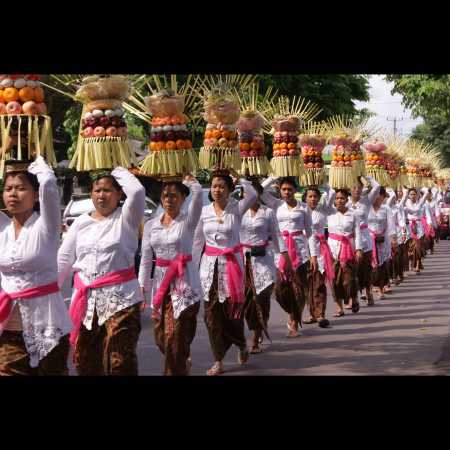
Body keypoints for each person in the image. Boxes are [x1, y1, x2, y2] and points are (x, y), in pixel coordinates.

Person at [58, 167, 145, 375]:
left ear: (119, 194)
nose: (101, 195)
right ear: (91, 194)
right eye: (97, 190)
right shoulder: (80, 223)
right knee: (86, 360)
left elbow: (138, 191)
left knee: (119, 361)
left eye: (107, 190)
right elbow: (64, 259)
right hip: (87, 303)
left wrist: (113, 165)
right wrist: (49, 293)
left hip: (122, 299)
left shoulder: (127, 218)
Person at [0, 157, 72, 375]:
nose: (13, 193)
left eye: (21, 188)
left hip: (49, 327)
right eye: (8, 188)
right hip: (9, 330)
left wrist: (35, 156)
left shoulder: (46, 225)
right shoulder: (2, 228)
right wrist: (5, 152)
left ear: (35, 195)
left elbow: (49, 183)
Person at [193, 171, 257, 376]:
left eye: (222, 186)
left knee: (233, 315)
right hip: (208, 269)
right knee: (211, 316)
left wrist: (241, 180)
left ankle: (241, 344)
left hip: (232, 269)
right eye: (214, 186)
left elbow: (254, 195)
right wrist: (191, 271)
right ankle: (218, 360)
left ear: (230, 190)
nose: (217, 190)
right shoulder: (203, 212)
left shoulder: (236, 209)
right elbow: (197, 243)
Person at [138, 175, 203, 375]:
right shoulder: (151, 225)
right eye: (165, 195)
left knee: (175, 336)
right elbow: (146, 259)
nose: (169, 199)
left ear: (184, 198)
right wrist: (143, 287)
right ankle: (182, 359)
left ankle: (176, 368)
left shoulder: (188, 221)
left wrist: (190, 181)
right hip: (160, 286)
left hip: (185, 285)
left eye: (174, 196)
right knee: (161, 337)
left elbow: (199, 195)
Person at [240, 180, 288, 354]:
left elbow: (277, 235)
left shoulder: (268, 212)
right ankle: (255, 327)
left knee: (261, 299)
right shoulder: (238, 212)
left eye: (252, 193)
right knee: (247, 301)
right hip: (244, 260)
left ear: (259, 194)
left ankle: (255, 337)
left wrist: (284, 256)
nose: (248, 197)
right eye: (245, 193)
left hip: (264, 260)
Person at [261, 177, 311, 338]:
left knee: (299, 289)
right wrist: (274, 177)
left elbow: (309, 232)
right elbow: (260, 191)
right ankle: (291, 310)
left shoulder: (304, 208)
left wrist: (313, 254)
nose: (287, 192)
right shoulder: (276, 205)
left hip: (300, 252)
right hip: (280, 251)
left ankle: (294, 321)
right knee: (280, 289)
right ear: (280, 191)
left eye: (290, 189)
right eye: (284, 189)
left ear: (295, 191)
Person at [327, 189, 363, 317]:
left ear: (347, 200)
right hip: (332, 250)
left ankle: (354, 298)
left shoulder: (353, 215)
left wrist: (358, 249)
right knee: (334, 280)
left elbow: (358, 233)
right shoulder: (329, 213)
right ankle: (339, 307)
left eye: (342, 198)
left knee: (349, 279)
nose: (339, 200)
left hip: (349, 249)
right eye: (337, 198)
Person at [303, 185, 335, 326]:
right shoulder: (300, 210)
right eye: (310, 196)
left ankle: (320, 314)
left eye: (315, 196)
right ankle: (312, 314)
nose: (313, 199)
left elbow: (332, 192)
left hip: (320, 250)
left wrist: (319, 181)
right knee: (308, 284)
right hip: (303, 250)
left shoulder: (324, 209)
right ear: (305, 198)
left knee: (319, 283)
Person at [347, 176, 381, 306]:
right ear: (349, 189)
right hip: (350, 241)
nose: (357, 190)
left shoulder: (366, 201)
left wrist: (364, 176)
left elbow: (377, 187)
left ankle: (368, 292)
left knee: (365, 269)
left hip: (365, 239)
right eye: (354, 187)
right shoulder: (345, 203)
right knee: (351, 271)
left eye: (359, 187)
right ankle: (352, 297)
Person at [368, 187, 396, 299]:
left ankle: (380, 288)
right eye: (374, 194)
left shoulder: (386, 209)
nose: (376, 197)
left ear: (383, 197)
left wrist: (393, 239)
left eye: (379, 195)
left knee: (381, 264)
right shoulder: (366, 208)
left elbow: (391, 224)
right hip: (369, 240)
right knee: (370, 265)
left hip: (383, 240)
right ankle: (368, 289)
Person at [403, 187, 428, 274]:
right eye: (411, 194)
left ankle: (417, 264)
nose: (413, 196)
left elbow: (426, 193)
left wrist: (422, 188)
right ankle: (412, 262)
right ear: (408, 196)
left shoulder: (420, 203)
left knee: (418, 247)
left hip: (419, 226)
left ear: (417, 195)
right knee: (411, 247)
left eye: (414, 194)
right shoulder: (406, 203)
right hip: (409, 226)